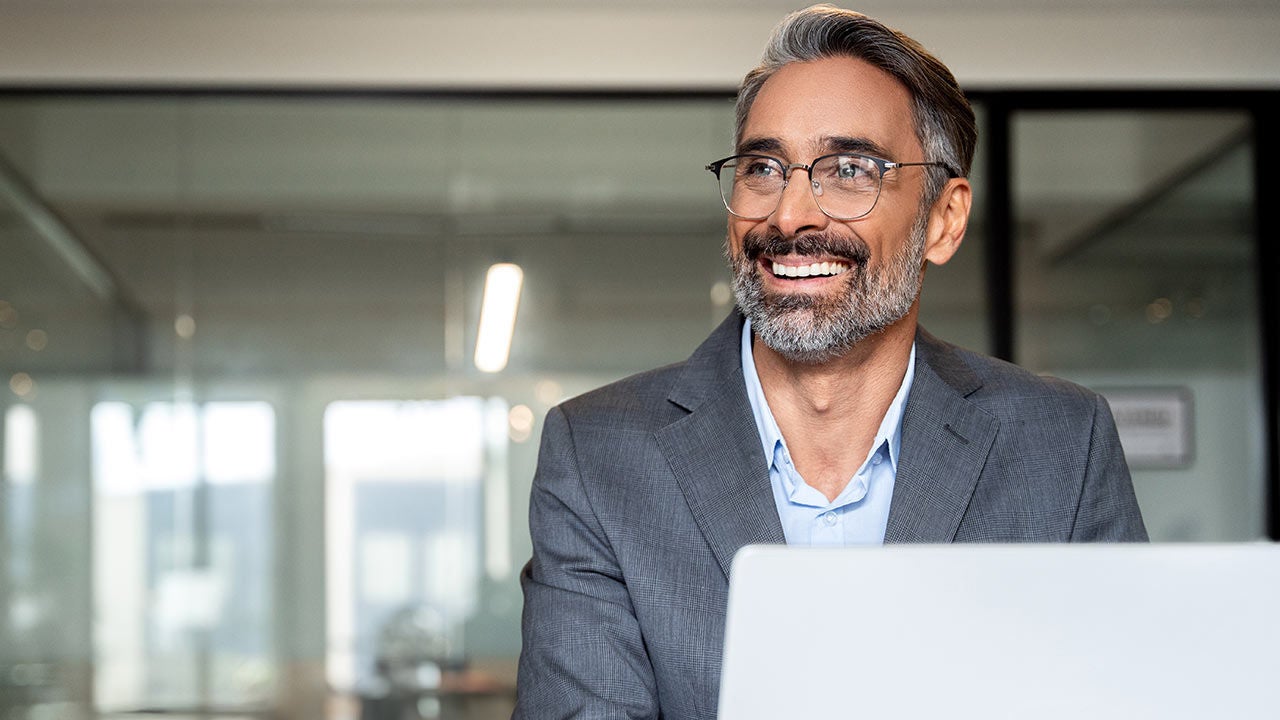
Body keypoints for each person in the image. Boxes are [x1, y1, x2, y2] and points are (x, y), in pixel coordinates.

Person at [514, 4, 1147, 718]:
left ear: (944, 219)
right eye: (763, 168)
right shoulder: (599, 458)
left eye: (849, 169)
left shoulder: (1061, 444)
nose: (790, 216)